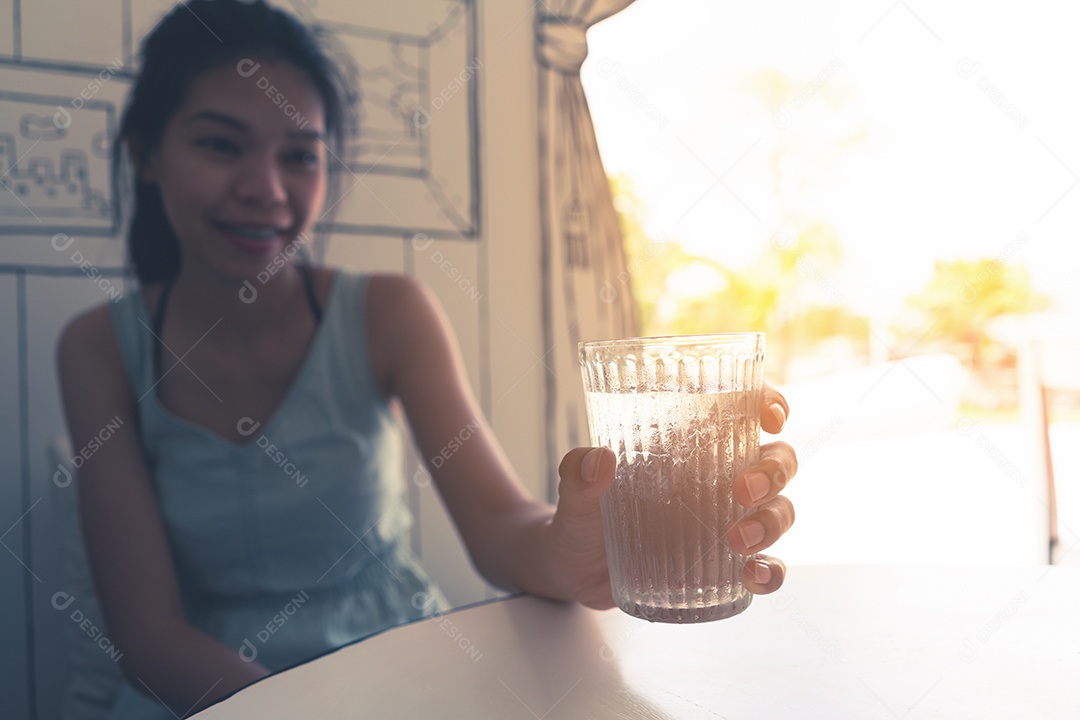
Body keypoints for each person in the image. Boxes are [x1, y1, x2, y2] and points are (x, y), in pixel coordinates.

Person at [55, 1, 798, 717]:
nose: (266, 189)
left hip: (389, 670)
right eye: (220, 144)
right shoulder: (97, 347)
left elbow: (502, 527)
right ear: (145, 154)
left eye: (300, 156)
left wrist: (576, 550)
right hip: (215, 698)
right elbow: (147, 638)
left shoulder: (388, 313)